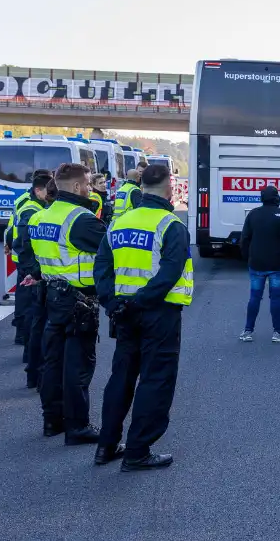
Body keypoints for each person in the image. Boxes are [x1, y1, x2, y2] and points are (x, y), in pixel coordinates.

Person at [94, 163, 192, 471]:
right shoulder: (170, 225)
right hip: (158, 314)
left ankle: (106, 446)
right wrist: (141, 301)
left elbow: (102, 268)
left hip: (123, 312)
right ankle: (137, 451)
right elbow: (170, 272)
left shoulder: (119, 223)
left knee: (121, 378)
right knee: (155, 379)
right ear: (170, 188)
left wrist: (113, 303)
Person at [29, 162, 107, 444]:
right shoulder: (80, 219)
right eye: (87, 184)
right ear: (76, 187)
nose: (89, 189)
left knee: (53, 363)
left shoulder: (41, 217)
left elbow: (41, 257)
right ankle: (77, 427)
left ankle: (52, 421)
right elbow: (111, 249)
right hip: (78, 300)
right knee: (77, 366)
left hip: (51, 296)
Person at [239, 185, 280, 342]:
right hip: (277, 263)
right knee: (275, 297)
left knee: (254, 297)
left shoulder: (253, 215)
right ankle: (277, 332)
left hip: (256, 263)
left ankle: (247, 331)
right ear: (277, 198)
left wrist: (248, 257)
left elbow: (244, 239)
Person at [13, 170, 53, 387]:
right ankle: (33, 367)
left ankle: (33, 366)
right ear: (39, 190)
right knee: (34, 320)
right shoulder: (32, 210)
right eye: (48, 190)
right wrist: (33, 272)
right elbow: (22, 242)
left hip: (32, 271)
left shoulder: (34, 206)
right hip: (32, 272)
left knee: (34, 318)